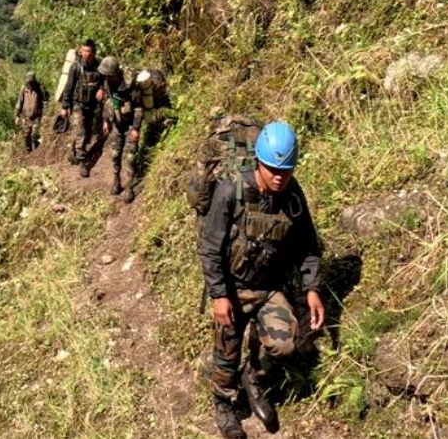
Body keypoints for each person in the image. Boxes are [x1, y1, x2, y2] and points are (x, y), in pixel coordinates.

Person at [198, 121, 325, 439]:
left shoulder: (293, 196)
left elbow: (308, 244)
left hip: (269, 289)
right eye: (273, 169)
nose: (280, 176)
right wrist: (218, 295)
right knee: (226, 352)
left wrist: (312, 289)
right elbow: (210, 245)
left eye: (287, 169)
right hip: (233, 287)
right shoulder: (232, 191)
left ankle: (253, 379)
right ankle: (224, 405)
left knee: (285, 345)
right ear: (259, 162)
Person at [121, 68, 175, 204]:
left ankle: (129, 186)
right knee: (130, 153)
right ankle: (129, 186)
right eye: (161, 88)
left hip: (147, 120)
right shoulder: (140, 93)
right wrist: (135, 128)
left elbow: (167, 109)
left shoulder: (158, 92)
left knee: (133, 152)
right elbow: (137, 110)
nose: (163, 90)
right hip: (133, 121)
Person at [58, 39, 102, 177]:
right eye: (84, 51)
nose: (86, 54)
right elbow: (69, 86)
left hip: (91, 105)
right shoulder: (76, 66)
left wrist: (101, 89)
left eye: (89, 51)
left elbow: (104, 82)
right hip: (78, 104)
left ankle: (73, 152)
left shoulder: (98, 66)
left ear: (94, 52)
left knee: (87, 132)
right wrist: (65, 106)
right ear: (81, 51)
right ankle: (84, 163)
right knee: (81, 131)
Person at [98, 57, 135, 195]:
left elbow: (138, 108)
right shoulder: (107, 82)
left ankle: (130, 187)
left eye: (108, 75)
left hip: (131, 123)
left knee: (130, 157)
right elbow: (107, 102)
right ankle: (116, 181)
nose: (106, 77)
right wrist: (105, 120)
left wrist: (136, 128)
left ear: (114, 73)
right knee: (115, 154)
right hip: (116, 123)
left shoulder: (129, 85)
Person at [15, 72, 48, 152]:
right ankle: (28, 152)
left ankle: (35, 153)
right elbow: (20, 102)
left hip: (37, 115)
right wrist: (17, 115)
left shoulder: (40, 88)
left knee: (34, 135)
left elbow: (45, 101)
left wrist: (45, 114)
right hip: (26, 116)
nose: (30, 84)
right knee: (26, 136)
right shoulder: (23, 89)